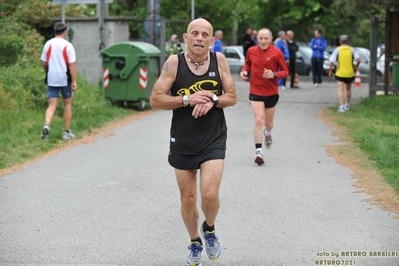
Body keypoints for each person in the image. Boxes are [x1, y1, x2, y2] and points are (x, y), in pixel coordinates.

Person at [149, 18, 237, 266]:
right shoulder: (174, 63)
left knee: (209, 193)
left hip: (213, 137)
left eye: (205, 34)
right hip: (183, 139)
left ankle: (209, 229)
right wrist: (188, 99)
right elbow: (156, 100)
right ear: (186, 38)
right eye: (194, 34)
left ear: (212, 40)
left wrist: (213, 101)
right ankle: (195, 241)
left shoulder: (219, 61)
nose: (199, 38)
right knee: (188, 198)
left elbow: (232, 96)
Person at [239, 28, 289, 165]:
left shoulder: (277, 52)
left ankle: (267, 133)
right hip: (255, 91)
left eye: (266, 38)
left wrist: (274, 74)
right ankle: (259, 152)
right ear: (257, 39)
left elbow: (285, 71)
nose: (263, 41)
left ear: (271, 39)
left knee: (268, 123)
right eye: (261, 38)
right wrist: (244, 71)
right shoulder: (251, 51)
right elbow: (248, 64)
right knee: (259, 119)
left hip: (271, 92)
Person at [40, 22, 77, 140]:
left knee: (51, 105)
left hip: (51, 78)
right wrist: (74, 81)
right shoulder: (68, 45)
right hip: (65, 78)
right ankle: (66, 132)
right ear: (65, 31)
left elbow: (44, 63)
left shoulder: (48, 44)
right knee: (67, 104)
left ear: (55, 31)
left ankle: (46, 126)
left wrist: (48, 72)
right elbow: (71, 66)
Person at [328, 34, 361, 113]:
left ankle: (342, 106)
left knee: (340, 89)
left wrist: (330, 71)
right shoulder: (352, 49)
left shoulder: (337, 50)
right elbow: (359, 60)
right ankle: (347, 104)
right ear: (348, 42)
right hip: (350, 72)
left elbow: (331, 61)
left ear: (340, 42)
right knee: (348, 89)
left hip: (340, 72)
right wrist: (355, 66)